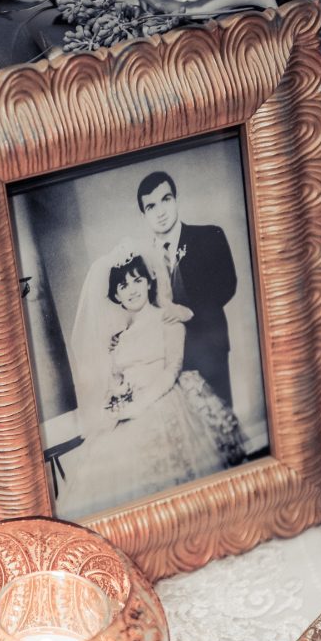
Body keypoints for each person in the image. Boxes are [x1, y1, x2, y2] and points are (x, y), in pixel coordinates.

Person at [56, 243, 246, 520]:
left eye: (137, 280)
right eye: (123, 286)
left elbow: (172, 370)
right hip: (129, 409)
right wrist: (115, 400)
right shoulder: (119, 336)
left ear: (148, 282)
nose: (132, 290)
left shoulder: (168, 319)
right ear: (116, 295)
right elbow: (117, 380)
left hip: (165, 399)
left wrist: (139, 405)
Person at [137, 170, 237, 408]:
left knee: (220, 418)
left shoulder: (209, 235)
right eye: (151, 207)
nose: (160, 212)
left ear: (176, 200)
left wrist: (190, 311)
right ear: (144, 215)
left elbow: (227, 284)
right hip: (166, 357)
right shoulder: (142, 259)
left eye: (166, 199)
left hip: (209, 343)